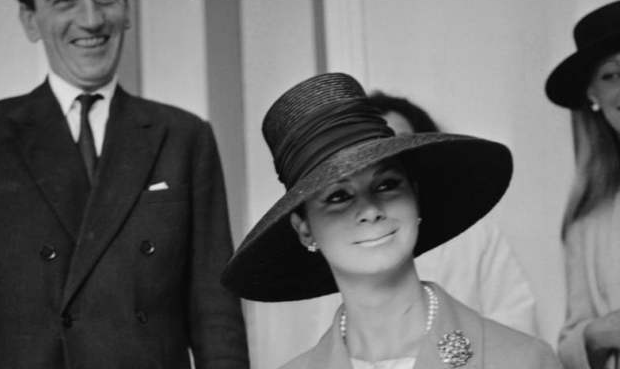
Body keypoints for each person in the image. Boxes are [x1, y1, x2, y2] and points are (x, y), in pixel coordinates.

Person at [0, 0, 248, 367]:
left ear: (127, 8)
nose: (90, 19)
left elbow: (217, 317)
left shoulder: (184, 137)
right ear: (30, 20)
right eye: (64, 0)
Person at [222, 73, 561, 368]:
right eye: (338, 196)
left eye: (386, 185)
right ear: (304, 228)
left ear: (415, 197)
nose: (370, 210)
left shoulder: (524, 360)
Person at [366, 91, 538, 336]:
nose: (392, 158)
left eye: (401, 143)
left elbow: (517, 322)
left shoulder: (475, 233)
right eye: (379, 147)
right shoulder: (351, 242)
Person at [546, 0, 620, 369]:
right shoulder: (587, 215)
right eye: (611, 75)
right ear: (593, 94)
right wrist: (599, 334)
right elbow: (571, 341)